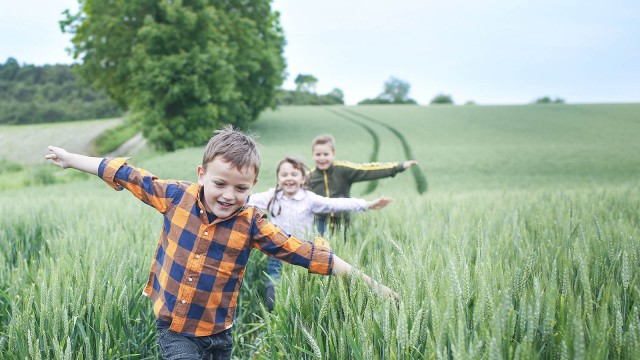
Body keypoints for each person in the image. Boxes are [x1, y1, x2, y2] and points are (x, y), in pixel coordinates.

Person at [45, 125, 396, 360]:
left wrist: (372, 284)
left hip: (220, 335)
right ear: (202, 175)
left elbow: (306, 254)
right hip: (175, 328)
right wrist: (71, 159)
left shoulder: (253, 224)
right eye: (220, 184)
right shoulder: (175, 196)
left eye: (241, 188)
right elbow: (125, 174)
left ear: (254, 184)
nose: (229, 195)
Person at [247, 156, 393, 311]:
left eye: (294, 174)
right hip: (276, 255)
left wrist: (367, 204)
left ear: (303, 178)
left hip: (303, 254)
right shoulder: (272, 197)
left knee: (302, 296)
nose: (289, 178)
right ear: (278, 178)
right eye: (284, 175)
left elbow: (336, 203)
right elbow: (246, 199)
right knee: (273, 298)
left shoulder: (309, 199)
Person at [309, 134, 418, 235]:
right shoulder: (308, 176)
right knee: (318, 253)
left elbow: (368, 170)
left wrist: (398, 167)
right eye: (318, 154)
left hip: (343, 223)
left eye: (326, 154)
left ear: (333, 154)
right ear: (312, 156)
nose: (322, 158)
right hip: (319, 224)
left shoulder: (342, 170)